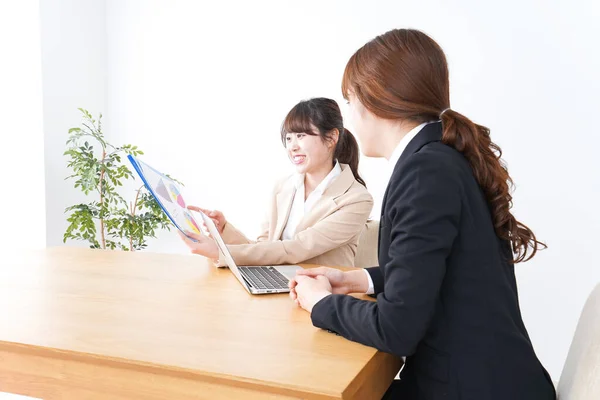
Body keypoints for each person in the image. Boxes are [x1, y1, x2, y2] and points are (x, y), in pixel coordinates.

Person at [290, 29, 556, 400]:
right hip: (488, 379)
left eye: (350, 102)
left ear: (375, 101)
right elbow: (435, 270)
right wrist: (358, 281)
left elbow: (396, 328)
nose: (350, 117)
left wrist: (321, 303)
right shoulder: (441, 157)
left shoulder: (424, 172)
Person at [180, 97, 373, 267]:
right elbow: (266, 249)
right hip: (280, 286)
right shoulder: (283, 187)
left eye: (301, 136)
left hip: (324, 296)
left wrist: (222, 252)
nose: (292, 147)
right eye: (289, 138)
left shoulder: (356, 199)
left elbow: (297, 248)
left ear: (331, 138)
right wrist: (225, 230)